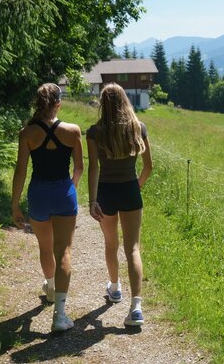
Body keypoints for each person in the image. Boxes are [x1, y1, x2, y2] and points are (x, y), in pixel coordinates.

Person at [11, 83, 84, 333]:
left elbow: (20, 171)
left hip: (38, 194)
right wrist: (70, 189)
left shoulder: (27, 133)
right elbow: (79, 168)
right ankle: (60, 315)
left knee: (45, 247)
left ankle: (50, 289)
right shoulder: (73, 131)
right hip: (64, 192)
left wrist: (14, 205)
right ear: (58, 104)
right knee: (63, 251)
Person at [86, 83, 153, 327]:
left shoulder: (94, 132)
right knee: (133, 247)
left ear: (103, 104)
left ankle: (115, 289)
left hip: (105, 191)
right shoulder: (138, 127)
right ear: (125, 100)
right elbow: (148, 167)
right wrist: (136, 186)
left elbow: (93, 168)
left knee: (111, 243)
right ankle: (136, 308)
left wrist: (92, 200)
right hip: (130, 190)